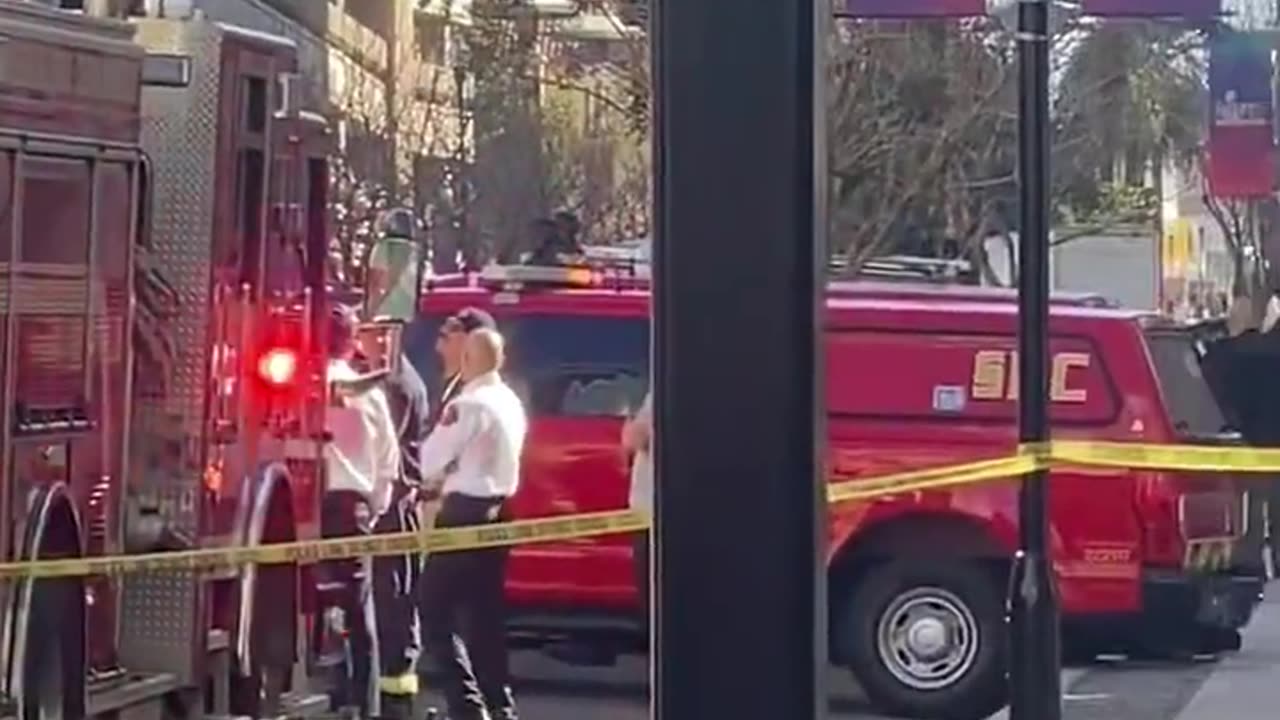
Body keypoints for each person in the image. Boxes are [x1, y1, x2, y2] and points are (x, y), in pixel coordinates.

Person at [418, 328, 529, 720]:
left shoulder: (468, 404)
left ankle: (467, 706)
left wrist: (427, 476)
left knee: (432, 610)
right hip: (500, 512)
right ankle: (499, 705)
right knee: (484, 616)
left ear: (468, 359)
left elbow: (429, 459)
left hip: (464, 513)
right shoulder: (509, 400)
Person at [320, 306, 412, 719]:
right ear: (351, 340)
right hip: (352, 509)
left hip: (306, 508)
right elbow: (388, 465)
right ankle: (365, 704)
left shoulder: (309, 384)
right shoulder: (370, 395)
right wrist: (371, 512)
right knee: (360, 616)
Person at [621, 389, 653, 640]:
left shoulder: (662, 390)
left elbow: (634, 439)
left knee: (652, 594)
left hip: (650, 509)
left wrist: (629, 418)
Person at [433, 307, 498, 422]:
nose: (444, 331)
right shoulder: (450, 385)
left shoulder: (472, 395)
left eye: (455, 328)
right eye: (448, 325)